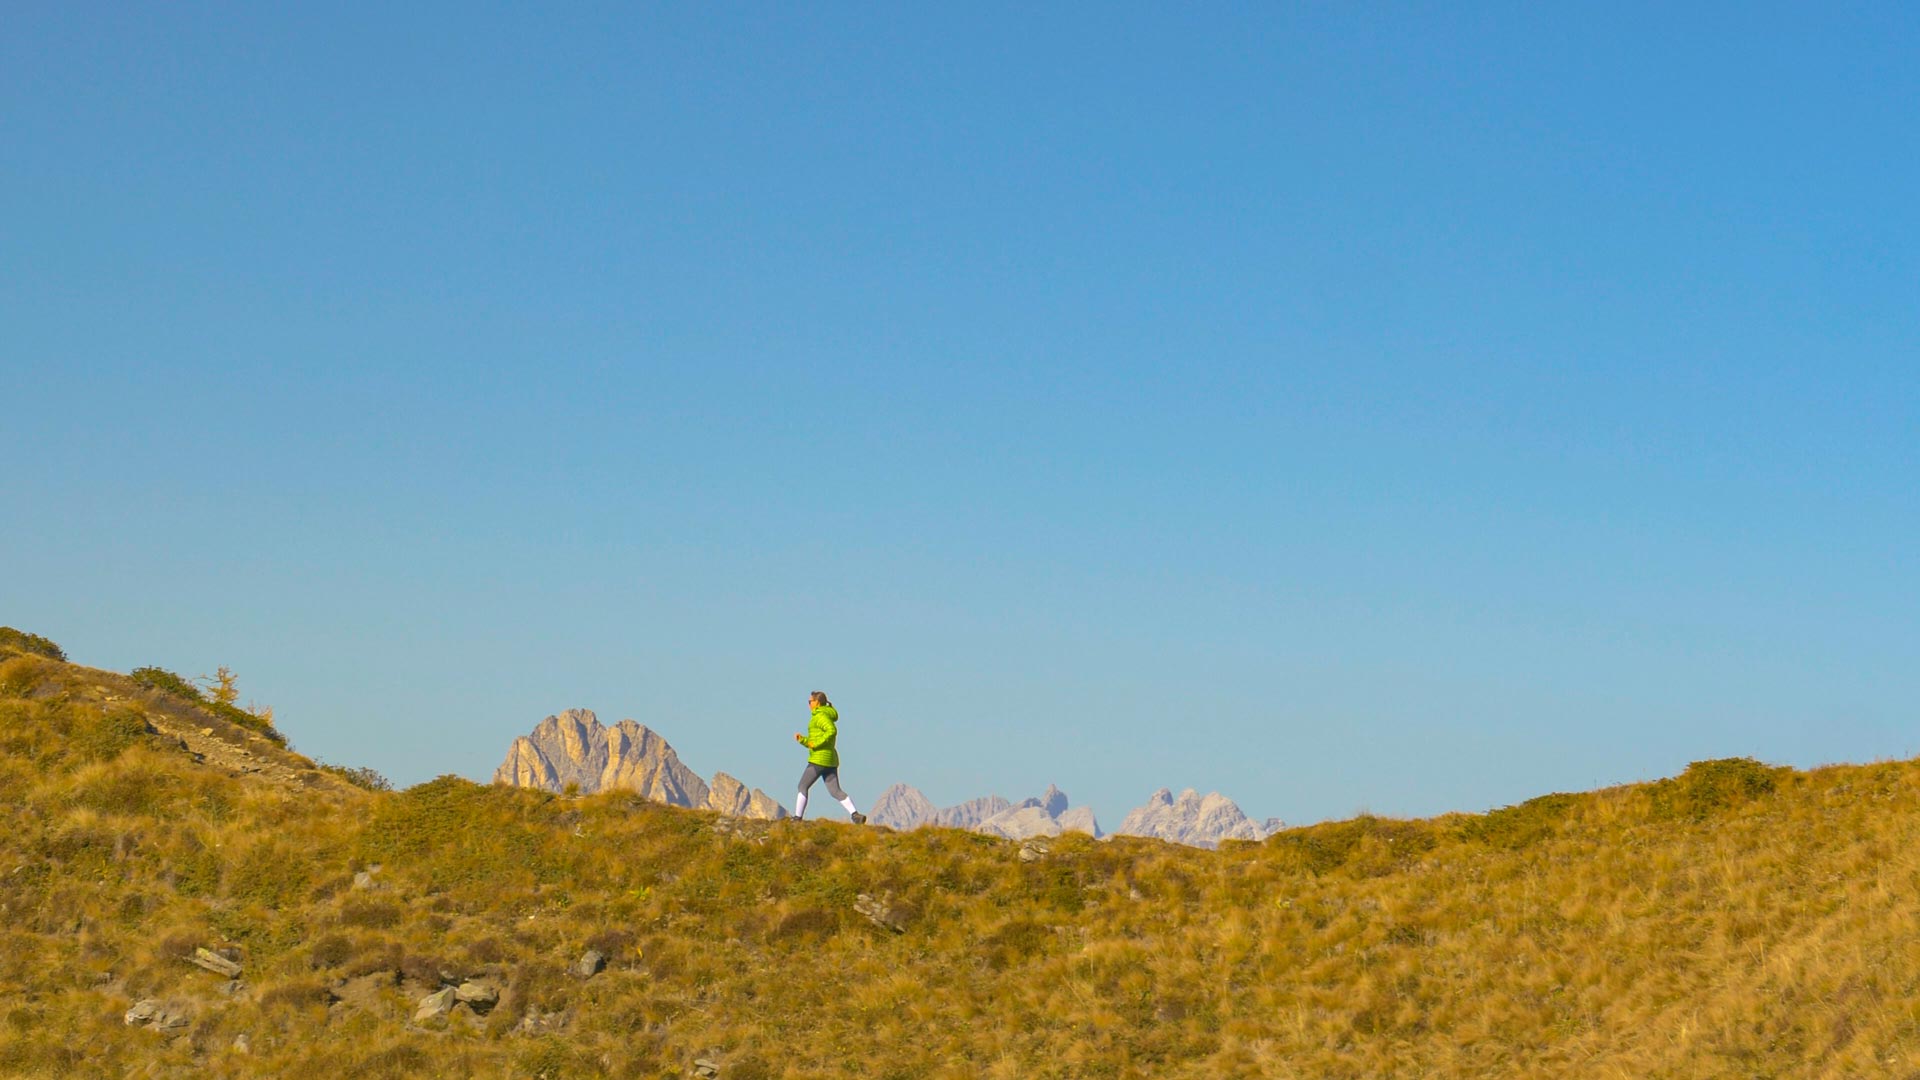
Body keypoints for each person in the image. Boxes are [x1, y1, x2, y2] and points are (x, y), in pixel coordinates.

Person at [793, 690, 865, 823]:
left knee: (802, 786)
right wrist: (803, 740)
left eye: (810, 702)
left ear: (817, 702)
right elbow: (814, 740)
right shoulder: (825, 714)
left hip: (818, 760)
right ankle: (855, 815)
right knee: (835, 791)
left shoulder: (820, 716)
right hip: (831, 761)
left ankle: (797, 818)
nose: (808, 704)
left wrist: (816, 744)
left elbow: (831, 731)